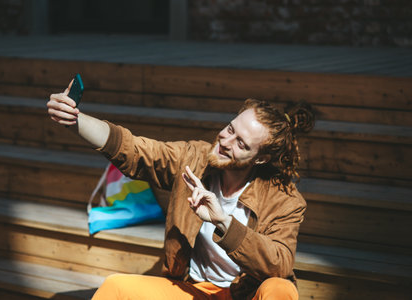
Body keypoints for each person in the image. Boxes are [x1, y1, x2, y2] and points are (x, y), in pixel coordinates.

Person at [47, 80, 315, 300]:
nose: (224, 141)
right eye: (229, 128)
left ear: (260, 159)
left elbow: (280, 264)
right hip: (193, 290)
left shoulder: (284, 199)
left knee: (281, 290)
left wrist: (223, 221)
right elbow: (137, 151)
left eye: (241, 144)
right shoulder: (194, 158)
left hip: (244, 295)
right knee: (115, 288)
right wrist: (75, 120)